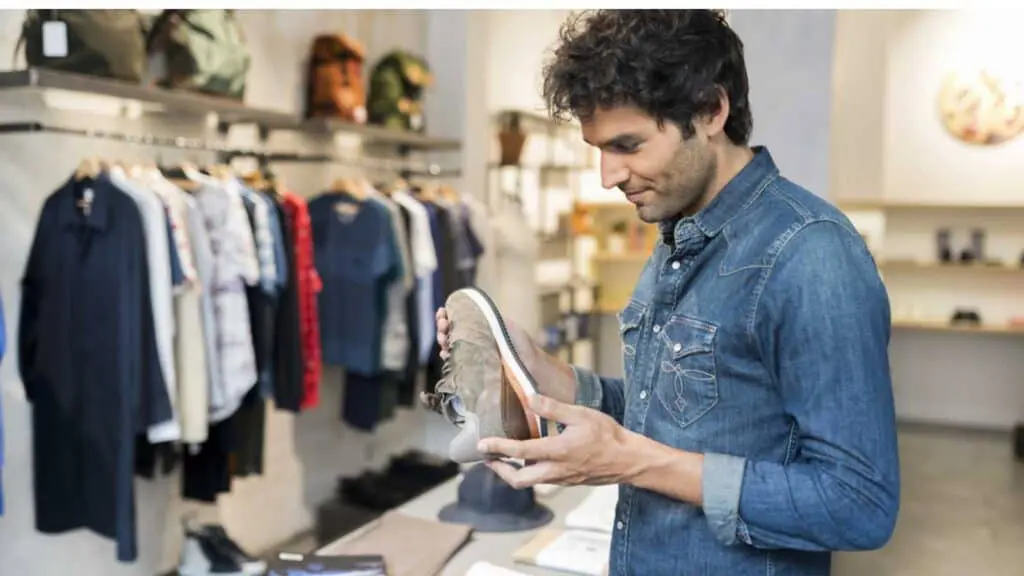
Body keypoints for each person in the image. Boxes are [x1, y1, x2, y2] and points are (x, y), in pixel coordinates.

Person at [434, 9, 900, 576]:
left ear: (710, 110)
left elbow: (859, 505)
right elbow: (675, 418)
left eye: (628, 145)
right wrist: (540, 370)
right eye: (598, 149)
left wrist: (632, 463)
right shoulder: (678, 230)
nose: (609, 175)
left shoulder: (811, 255)